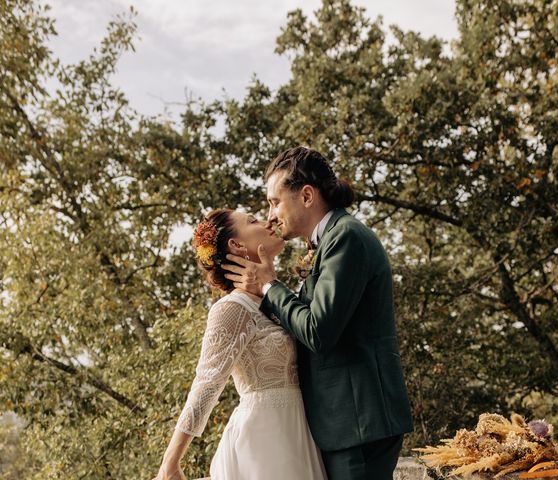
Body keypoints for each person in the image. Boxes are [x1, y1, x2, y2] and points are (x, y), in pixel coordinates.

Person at [223, 146, 413, 480]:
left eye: (274, 201)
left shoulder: (346, 238)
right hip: (346, 424)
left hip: (358, 423)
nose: (269, 216)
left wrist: (270, 286)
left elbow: (318, 330)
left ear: (307, 195)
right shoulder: (331, 240)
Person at [154, 208, 327, 480]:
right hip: (262, 442)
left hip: (300, 435)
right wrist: (170, 464)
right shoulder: (231, 308)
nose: (268, 220)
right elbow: (206, 384)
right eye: (253, 221)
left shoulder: (278, 300)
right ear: (237, 245)